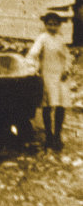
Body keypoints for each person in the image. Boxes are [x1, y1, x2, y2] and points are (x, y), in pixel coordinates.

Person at [27, 10, 71, 150]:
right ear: (45, 24)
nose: (52, 27)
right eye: (50, 24)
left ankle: (57, 135)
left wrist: (67, 70)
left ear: (59, 26)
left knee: (60, 105)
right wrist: (34, 68)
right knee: (47, 105)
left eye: (55, 25)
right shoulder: (42, 38)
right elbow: (33, 53)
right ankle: (49, 136)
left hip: (60, 76)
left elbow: (67, 57)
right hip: (47, 75)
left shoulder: (61, 39)